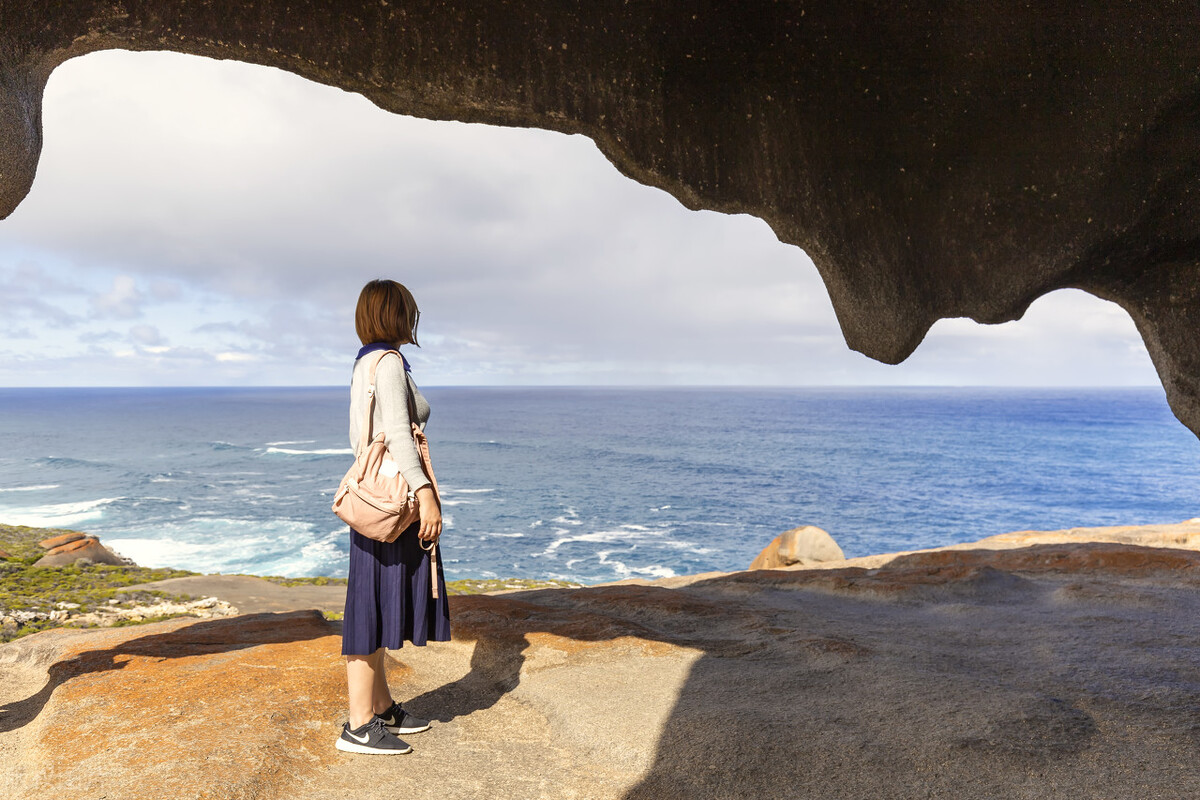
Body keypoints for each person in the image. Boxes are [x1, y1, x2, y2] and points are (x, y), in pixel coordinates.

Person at [336, 278, 451, 755]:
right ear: (397, 316)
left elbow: (361, 438)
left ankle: (380, 707)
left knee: (377, 604)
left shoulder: (367, 361)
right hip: (394, 505)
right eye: (410, 312)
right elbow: (400, 437)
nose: (414, 320)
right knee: (367, 609)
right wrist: (425, 494)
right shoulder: (388, 363)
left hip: (377, 502)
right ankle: (359, 725)